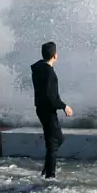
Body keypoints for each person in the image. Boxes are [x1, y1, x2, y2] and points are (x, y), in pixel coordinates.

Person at [30, 42, 73, 179]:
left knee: (55, 140)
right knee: (55, 141)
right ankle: (50, 176)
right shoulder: (49, 73)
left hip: (40, 109)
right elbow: (51, 97)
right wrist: (64, 106)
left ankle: (47, 170)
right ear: (55, 55)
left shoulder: (38, 68)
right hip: (48, 111)